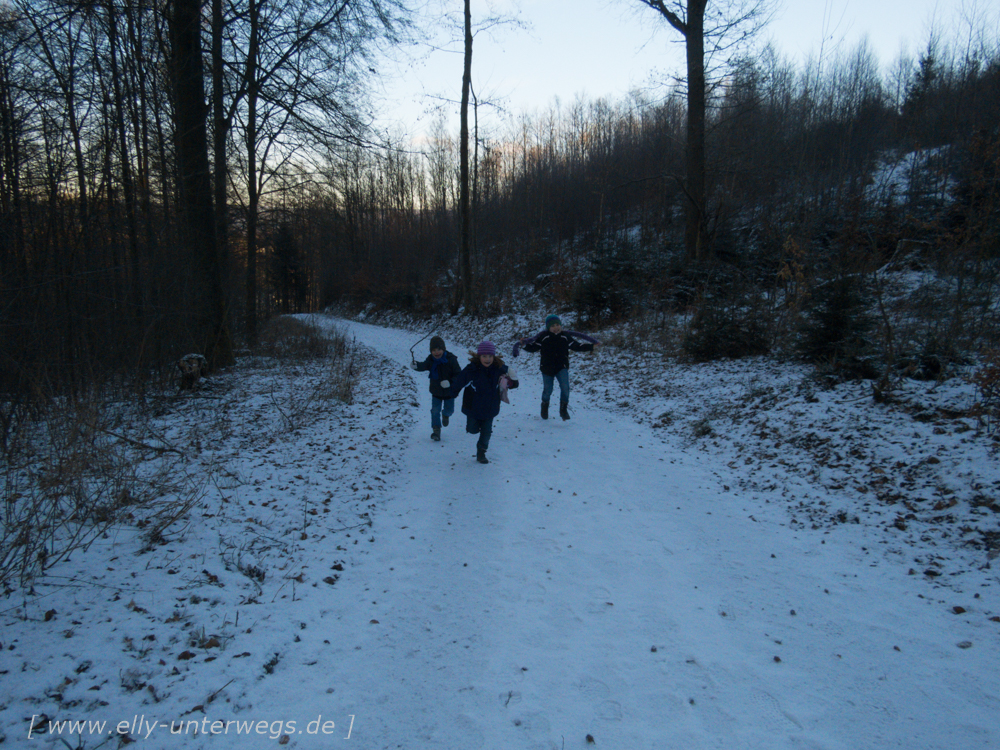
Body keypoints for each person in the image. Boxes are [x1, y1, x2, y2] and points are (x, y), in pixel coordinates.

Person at [448, 341, 518, 464]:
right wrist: (451, 393)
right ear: (479, 356)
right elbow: (459, 381)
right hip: (473, 407)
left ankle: (481, 452)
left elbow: (512, 383)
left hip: (490, 407)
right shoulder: (471, 370)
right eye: (484, 356)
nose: (487, 359)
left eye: (490, 356)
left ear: (494, 357)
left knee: (486, 432)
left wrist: (512, 379)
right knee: (472, 429)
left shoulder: (498, 369)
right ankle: (473, 427)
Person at [518, 314, 598, 420]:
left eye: (557, 325)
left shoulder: (565, 336)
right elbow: (533, 348)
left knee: (565, 388)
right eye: (553, 326)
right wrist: (524, 345)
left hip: (562, 366)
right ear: (548, 327)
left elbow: (576, 346)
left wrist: (591, 346)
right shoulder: (543, 337)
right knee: (548, 390)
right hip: (547, 368)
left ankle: (563, 409)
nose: (556, 328)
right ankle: (545, 406)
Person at [411, 336, 462, 441]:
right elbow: (424, 365)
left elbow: (458, 375)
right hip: (436, 391)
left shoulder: (451, 360)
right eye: (434, 350)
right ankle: (436, 431)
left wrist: (450, 382)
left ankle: (445, 415)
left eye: (439, 349)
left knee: (450, 410)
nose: (436, 352)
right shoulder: (431, 360)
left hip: (449, 392)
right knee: (435, 410)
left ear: (443, 349)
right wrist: (416, 366)